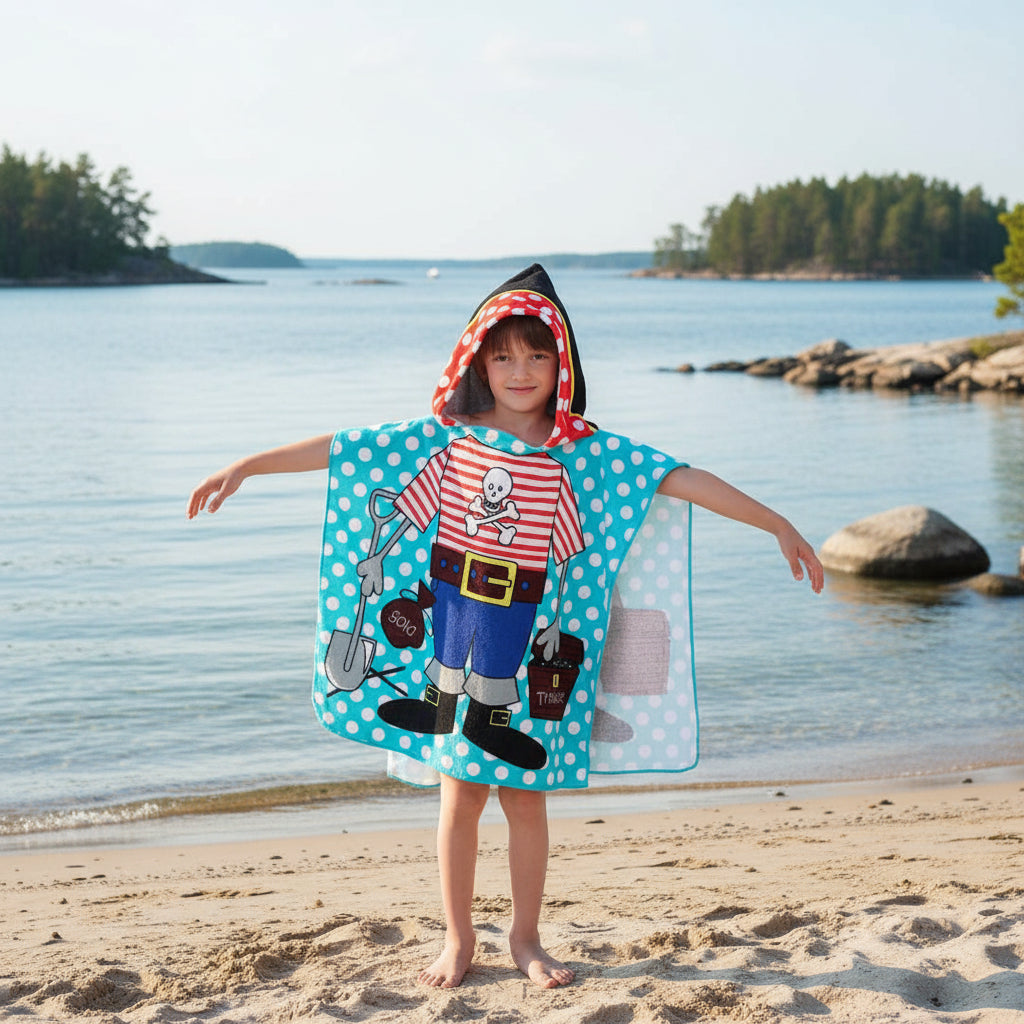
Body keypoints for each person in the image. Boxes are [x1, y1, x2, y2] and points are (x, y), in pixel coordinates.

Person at [188, 264, 823, 991]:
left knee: (525, 799)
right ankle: (458, 939)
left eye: (537, 354)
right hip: (451, 605)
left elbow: (679, 476)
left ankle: (525, 937)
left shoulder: (583, 451)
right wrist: (246, 466)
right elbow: (345, 448)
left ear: (563, 361)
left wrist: (775, 522)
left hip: (522, 622)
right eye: (503, 354)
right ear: (476, 362)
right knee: (458, 796)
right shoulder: (448, 440)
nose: (521, 370)